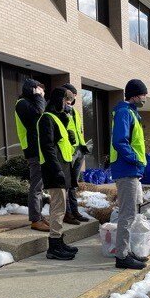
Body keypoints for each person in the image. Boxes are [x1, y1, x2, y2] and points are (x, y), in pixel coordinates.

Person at [110, 79, 149, 270]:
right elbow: (120, 141)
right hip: (127, 169)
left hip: (130, 170)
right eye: (143, 94)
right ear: (134, 95)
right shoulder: (125, 113)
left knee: (130, 213)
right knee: (126, 214)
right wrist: (135, 159)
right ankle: (122, 256)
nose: (145, 98)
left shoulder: (131, 113)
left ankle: (125, 251)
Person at [37, 87, 79, 260]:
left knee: (60, 208)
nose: (68, 106)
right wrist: (57, 170)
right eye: (66, 102)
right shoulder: (46, 118)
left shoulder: (58, 119)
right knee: (58, 208)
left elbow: (62, 147)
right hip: (55, 171)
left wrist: (71, 138)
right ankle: (53, 246)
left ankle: (58, 240)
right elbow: (47, 148)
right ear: (58, 100)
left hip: (63, 170)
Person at [15, 78, 49, 232]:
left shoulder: (31, 102)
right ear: (32, 89)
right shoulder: (22, 103)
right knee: (36, 186)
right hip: (33, 149)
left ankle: (39, 216)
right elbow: (38, 113)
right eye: (39, 90)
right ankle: (35, 219)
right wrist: (39, 97)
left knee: (39, 186)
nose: (42, 93)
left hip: (39, 148)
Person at [62, 83, 90, 225]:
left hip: (79, 150)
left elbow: (79, 130)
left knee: (73, 183)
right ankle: (67, 213)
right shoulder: (59, 111)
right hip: (68, 151)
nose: (73, 99)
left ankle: (74, 211)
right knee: (67, 184)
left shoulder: (75, 112)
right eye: (71, 96)